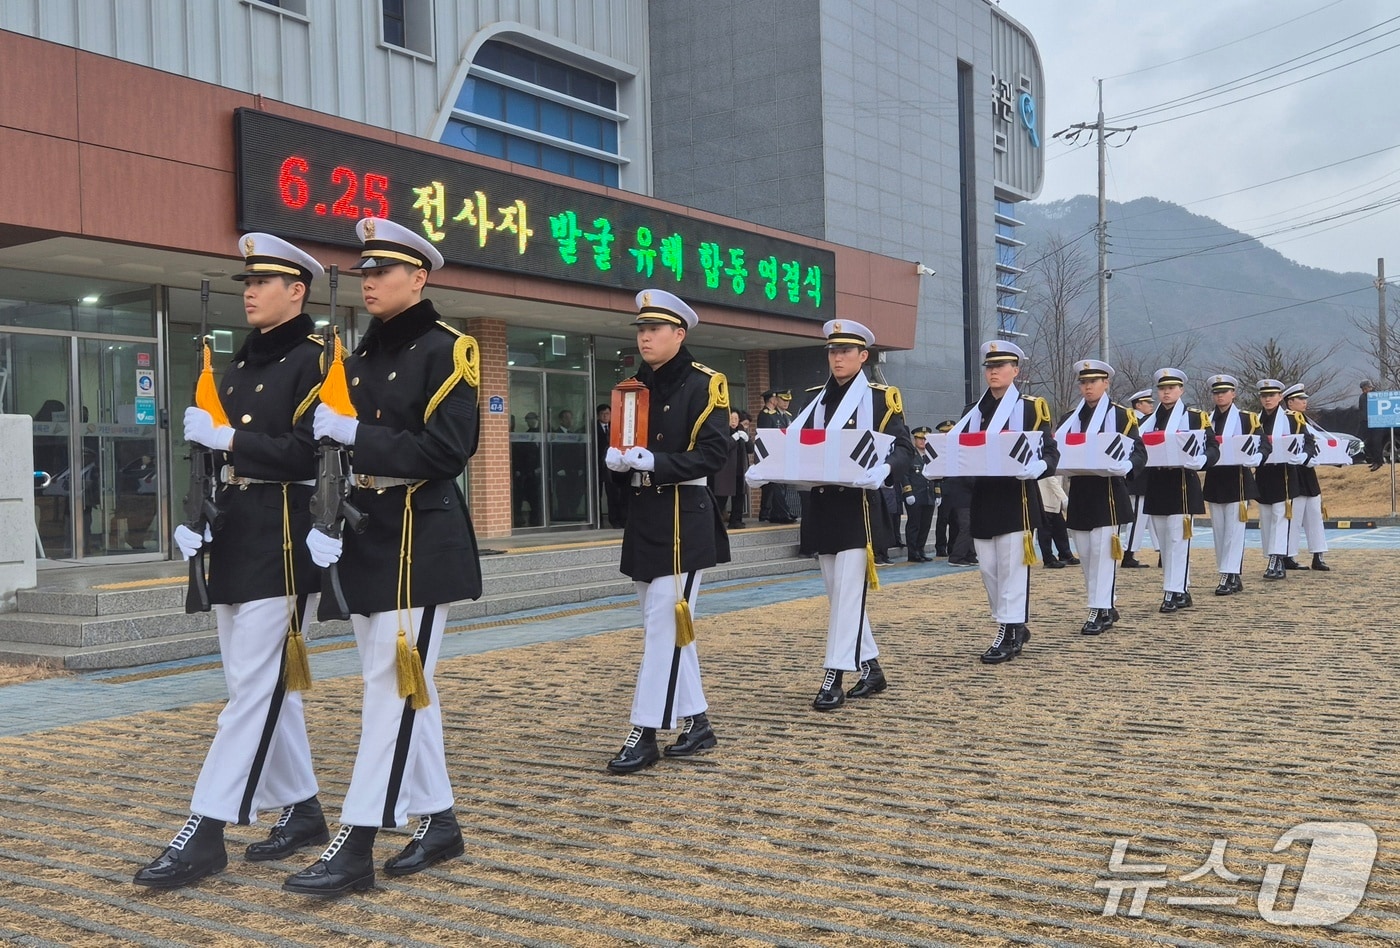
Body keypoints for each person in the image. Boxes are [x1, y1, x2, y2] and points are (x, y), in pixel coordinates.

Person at [287, 216, 481, 896]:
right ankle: (441, 822)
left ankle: (356, 839)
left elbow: (448, 453)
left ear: (418, 278)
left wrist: (357, 437)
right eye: (364, 271)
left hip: (419, 542)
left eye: (382, 271)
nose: (368, 281)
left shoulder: (447, 350)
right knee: (405, 694)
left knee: (390, 690)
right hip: (367, 532)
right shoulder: (355, 358)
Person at [134, 233, 329, 889]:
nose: (249, 291)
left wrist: (231, 439)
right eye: (246, 282)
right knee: (262, 689)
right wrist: (198, 526)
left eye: (262, 282)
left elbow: (312, 455)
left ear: (296, 291)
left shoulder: (316, 362)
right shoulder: (239, 365)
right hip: (238, 538)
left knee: (251, 693)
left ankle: (207, 827)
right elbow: (217, 463)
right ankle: (302, 809)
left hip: (284, 542)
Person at [751, 319, 913, 709]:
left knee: (847, 596)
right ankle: (872, 668)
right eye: (833, 351)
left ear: (863, 356)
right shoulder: (815, 398)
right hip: (821, 507)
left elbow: (905, 448)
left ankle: (833, 674)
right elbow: (800, 446)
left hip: (858, 509)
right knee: (839, 594)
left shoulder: (880, 398)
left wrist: (885, 469)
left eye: (846, 351)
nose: (838, 357)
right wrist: (766, 464)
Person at [601, 289, 730, 773]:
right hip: (645, 517)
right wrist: (617, 463)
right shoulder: (632, 388)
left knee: (662, 630)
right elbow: (627, 449)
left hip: (683, 517)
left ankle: (645, 730)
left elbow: (714, 455)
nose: (645, 336)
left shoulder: (705, 384)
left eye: (654, 329)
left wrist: (658, 462)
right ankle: (697, 722)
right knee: (668, 632)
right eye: (640, 329)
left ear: (680, 333)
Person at [952, 341, 1059, 663]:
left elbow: (1050, 450)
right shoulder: (972, 410)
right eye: (989, 366)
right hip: (983, 498)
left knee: (1012, 570)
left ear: (1016, 371)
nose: (994, 371)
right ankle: (1012, 623)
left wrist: (1040, 466)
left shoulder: (1030, 408)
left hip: (1017, 499)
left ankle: (1009, 630)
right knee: (989, 570)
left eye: (1001, 366)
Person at [1056, 360, 1145, 635]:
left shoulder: (1121, 416)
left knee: (1103, 554)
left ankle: (1098, 609)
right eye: (1083, 382)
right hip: (1081, 491)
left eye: (1093, 382)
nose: (1088, 387)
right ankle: (1105, 604)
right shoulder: (1070, 418)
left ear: (1106, 383)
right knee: (1085, 554)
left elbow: (1139, 452)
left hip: (1108, 493)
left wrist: (1128, 465)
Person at [1139, 368, 1218, 613]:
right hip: (1156, 483)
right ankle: (1179, 588)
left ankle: (1174, 591)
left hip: (1182, 483)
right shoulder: (1147, 421)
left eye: (1171, 388)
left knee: (1177, 539)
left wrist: (1202, 460)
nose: (1166, 392)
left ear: (1181, 390)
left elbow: (1213, 448)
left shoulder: (1195, 417)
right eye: (1162, 388)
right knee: (1164, 542)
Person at [1201, 374, 1260, 595]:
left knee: (1234, 530)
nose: (1220, 396)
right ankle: (1229, 573)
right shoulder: (1207, 420)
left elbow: (1263, 444)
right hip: (1216, 479)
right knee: (1219, 530)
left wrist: (1257, 458)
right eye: (1216, 393)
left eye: (1224, 392)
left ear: (1233, 394)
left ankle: (1228, 574)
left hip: (1238, 480)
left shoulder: (1247, 419)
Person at [1254, 378, 1312, 581]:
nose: (1268, 399)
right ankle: (1272, 555)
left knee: (1281, 517)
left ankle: (1276, 559)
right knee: (1267, 518)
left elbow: (1309, 443)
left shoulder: (1293, 419)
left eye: (1272, 395)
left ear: (1280, 397)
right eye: (1264, 396)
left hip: (1284, 474)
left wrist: (1303, 456)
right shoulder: (1255, 419)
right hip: (1263, 474)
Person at [1283, 383, 1330, 571]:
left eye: (1304, 399)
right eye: (1300, 399)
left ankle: (1318, 554)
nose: (1304, 402)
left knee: (1314, 515)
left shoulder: (1305, 420)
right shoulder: (1286, 420)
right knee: (1294, 517)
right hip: (1294, 472)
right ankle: (1288, 555)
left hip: (1308, 473)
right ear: (1289, 402)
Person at [1119, 389, 1156, 569]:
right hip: (1139, 476)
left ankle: (1162, 552)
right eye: (1148, 403)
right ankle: (1128, 553)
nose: (1151, 406)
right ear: (1138, 405)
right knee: (1138, 517)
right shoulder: (1136, 421)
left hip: (1146, 475)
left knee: (1151, 517)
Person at [755, 389, 797, 523]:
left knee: (780, 485)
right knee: (772, 486)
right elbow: (766, 437)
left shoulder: (786, 415)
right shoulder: (767, 415)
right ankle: (774, 513)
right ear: (775, 400)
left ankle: (776, 512)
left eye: (788, 401)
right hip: (772, 455)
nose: (786, 403)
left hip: (783, 454)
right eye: (783, 400)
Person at [900, 426, 937, 561]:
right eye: (920, 439)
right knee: (914, 524)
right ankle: (913, 552)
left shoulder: (930, 456)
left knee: (925, 525)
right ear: (914, 440)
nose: (922, 441)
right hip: (915, 495)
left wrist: (937, 494)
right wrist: (908, 491)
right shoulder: (910, 455)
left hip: (928, 495)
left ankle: (920, 550)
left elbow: (935, 476)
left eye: (925, 439)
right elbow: (904, 474)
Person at [709, 409, 749, 528]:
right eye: (732, 419)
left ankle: (736, 520)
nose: (734, 421)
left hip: (739, 470)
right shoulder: (722, 432)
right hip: (726, 471)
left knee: (739, 496)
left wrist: (747, 439)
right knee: (721, 497)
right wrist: (733, 438)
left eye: (736, 419)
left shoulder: (740, 431)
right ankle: (714, 521)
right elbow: (722, 447)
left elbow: (751, 449)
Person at [596, 404, 626, 528]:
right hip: (596, 465)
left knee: (614, 494)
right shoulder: (592, 428)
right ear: (598, 415)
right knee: (596, 494)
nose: (605, 416)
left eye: (608, 414)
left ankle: (616, 520)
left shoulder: (616, 428)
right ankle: (597, 521)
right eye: (603, 414)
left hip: (612, 467)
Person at [1035, 475, 1074, 568]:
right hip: (1045, 500)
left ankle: (1065, 555)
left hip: (1055, 502)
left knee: (1060, 529)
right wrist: (1064, 498)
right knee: (1045, 533)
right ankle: (1048, 559)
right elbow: (1051, 479)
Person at [1359, 380, 1384, 471]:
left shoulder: (1376, 395)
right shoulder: (1362, 397)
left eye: (1366, 388)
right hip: (1366, 422)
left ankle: (1378, 461)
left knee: (1376, 441)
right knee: (1367, 442)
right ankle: (1374, 459)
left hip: (1377, 422)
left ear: (1370, 387)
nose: (1365, 391)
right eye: (1363, 389)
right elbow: (1361, 409)